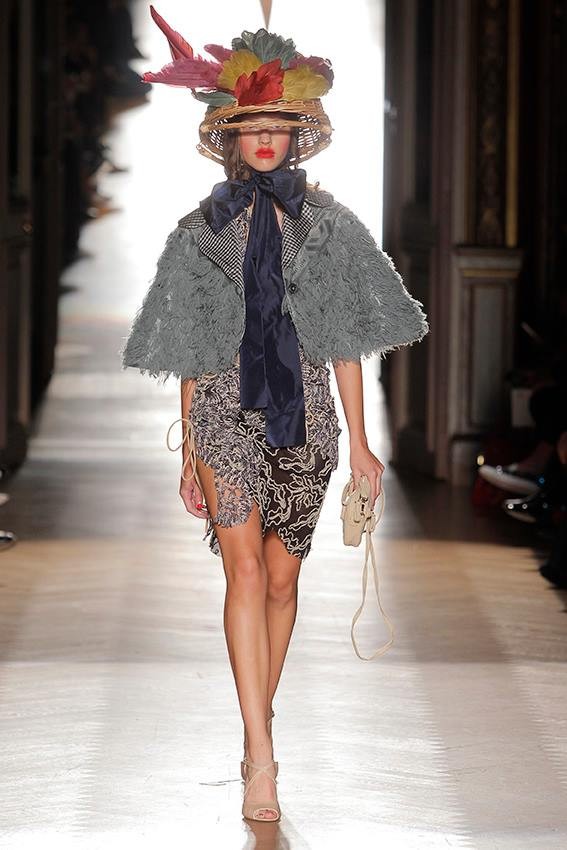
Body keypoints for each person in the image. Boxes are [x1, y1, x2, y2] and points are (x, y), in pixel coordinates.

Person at [120, 7, 430, 823]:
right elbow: (189, 346)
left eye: (276, 126)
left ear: (298, 136)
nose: (263, 138)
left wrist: (361, 444)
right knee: (246, 573)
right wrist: (188, 448)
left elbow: (344, 340)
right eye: (249, 126)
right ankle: (260, 752)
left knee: (284, 578)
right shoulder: (199, 232)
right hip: (223, 411)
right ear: (228, 138)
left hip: (308, 416)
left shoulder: (329, 228)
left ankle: (258, 723)